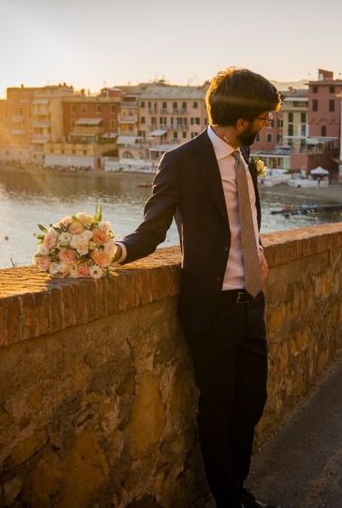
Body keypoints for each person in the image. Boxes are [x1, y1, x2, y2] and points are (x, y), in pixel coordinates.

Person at [114, 68, 281, 508]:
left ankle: (238, 489)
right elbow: (152, 231)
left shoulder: (246, 159)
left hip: (252, 304)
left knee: (252, 403)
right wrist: (114, 252)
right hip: (212, 309)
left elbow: (244, 221)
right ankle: (230, 499)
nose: (267, 125)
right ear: (242, 118)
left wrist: (257, 246)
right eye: (263, 118)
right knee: (218, 408)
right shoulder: (182, 161)